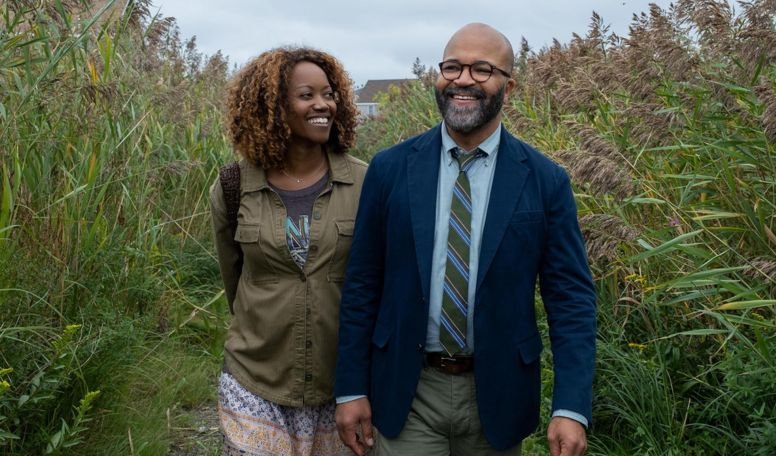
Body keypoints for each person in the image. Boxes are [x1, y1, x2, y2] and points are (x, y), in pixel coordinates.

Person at [334, 23, 597, 456]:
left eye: (482, 69)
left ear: (507, 87)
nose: (463, 79)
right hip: (408, 387)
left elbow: (571, 300)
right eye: (452, 66)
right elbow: (362, 283)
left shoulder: (545, 181)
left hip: (497, 393)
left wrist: (570, 407)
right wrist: (349, 388)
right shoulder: (389, 169)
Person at [210, 47, 366, 456]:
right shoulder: (234, 185)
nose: (322, 105)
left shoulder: (367, 184)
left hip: (340, 386)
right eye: (306, 95)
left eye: (329, 94)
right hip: (254, 376)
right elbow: (236, 279)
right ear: (273, 107)